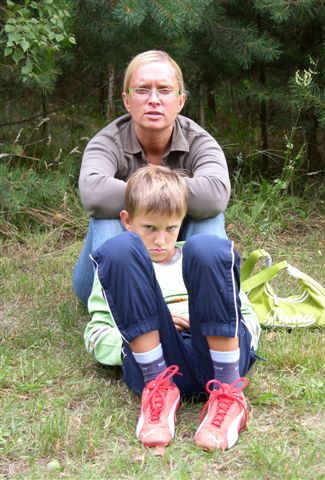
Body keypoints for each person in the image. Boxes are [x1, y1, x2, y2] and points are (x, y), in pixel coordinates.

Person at [84, 165, 261, 451]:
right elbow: (96, 333)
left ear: (181, 222)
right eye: (149, 228)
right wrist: (139, 337)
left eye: (171, 228)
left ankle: (228, 396)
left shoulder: (196, 260)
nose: (161, 239)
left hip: (219, 353)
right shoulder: (120, 270)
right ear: (127, 221)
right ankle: (158, 392)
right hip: (158, 359)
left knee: (207, 248)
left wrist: (212, 325)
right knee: (117, 251)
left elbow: (248, 318)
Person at [72, 50, 231, 305]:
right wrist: (163, 192)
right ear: (126, 100)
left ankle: (210, 301)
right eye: (143, 90)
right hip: (109, 274)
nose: (154, 100)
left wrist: (143, 194)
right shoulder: (106, 141)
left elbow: (215, 196)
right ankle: (125, 305)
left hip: (179, 264)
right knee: (106, 218)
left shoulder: (200, 141)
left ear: (180, 101)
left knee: (210, 219)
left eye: (165, 90)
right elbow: (94, 193)